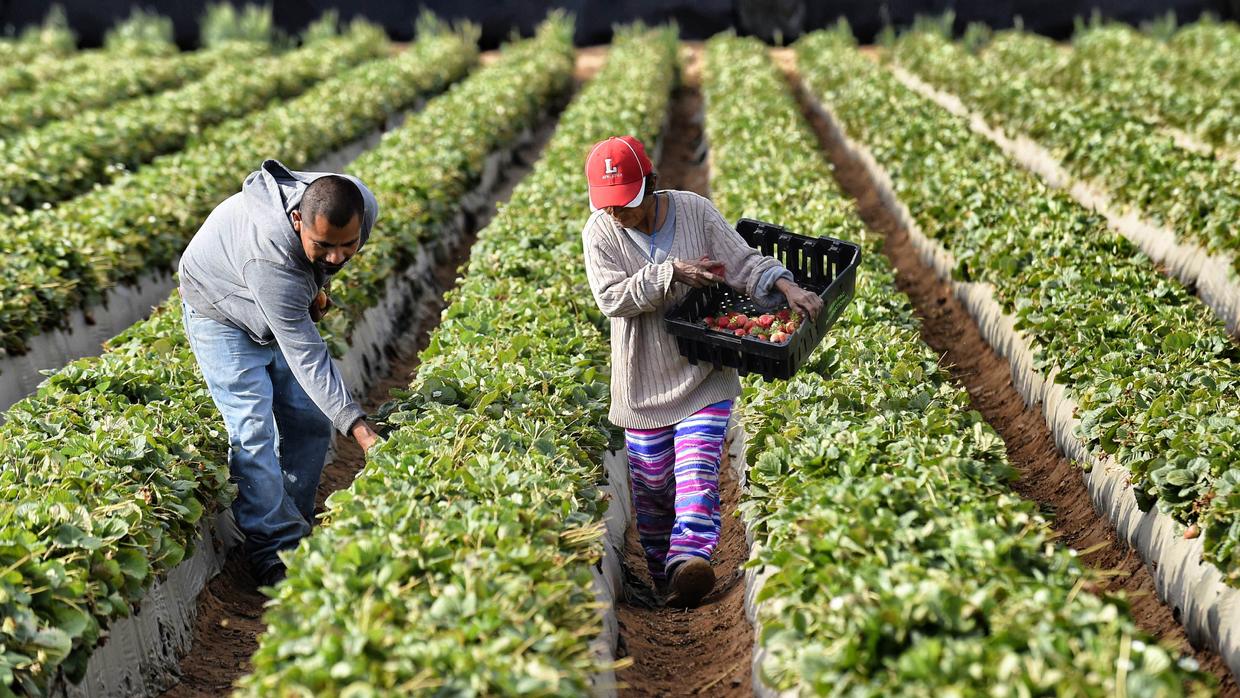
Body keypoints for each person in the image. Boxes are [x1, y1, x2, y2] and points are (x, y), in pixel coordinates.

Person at [580, 136, 823, 607]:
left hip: (702, 375)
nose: (616, 214)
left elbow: (743, 261)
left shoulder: (694, 211)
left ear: (650, 185)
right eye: (607, 205)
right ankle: (663, 576)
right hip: (642, 382)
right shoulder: (599, 234)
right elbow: (611, 298)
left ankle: (689, 559)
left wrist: (785, 285)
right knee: (651, 493)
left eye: (625, 204)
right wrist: (672, 273)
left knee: (696, 472)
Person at [178, 159, 383, 587]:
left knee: (308, 417)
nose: (337, 255)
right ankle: (273, 551)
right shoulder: (269, 259)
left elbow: (325, 261)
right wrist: (362, 431)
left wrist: (320, 282)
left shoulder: (361, 204)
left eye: (347, 245)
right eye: (324, 245)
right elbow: (309, 357)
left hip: (274, 294)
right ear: (296, 221)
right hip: (220, 309)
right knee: (253, 430)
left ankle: (294, 526)